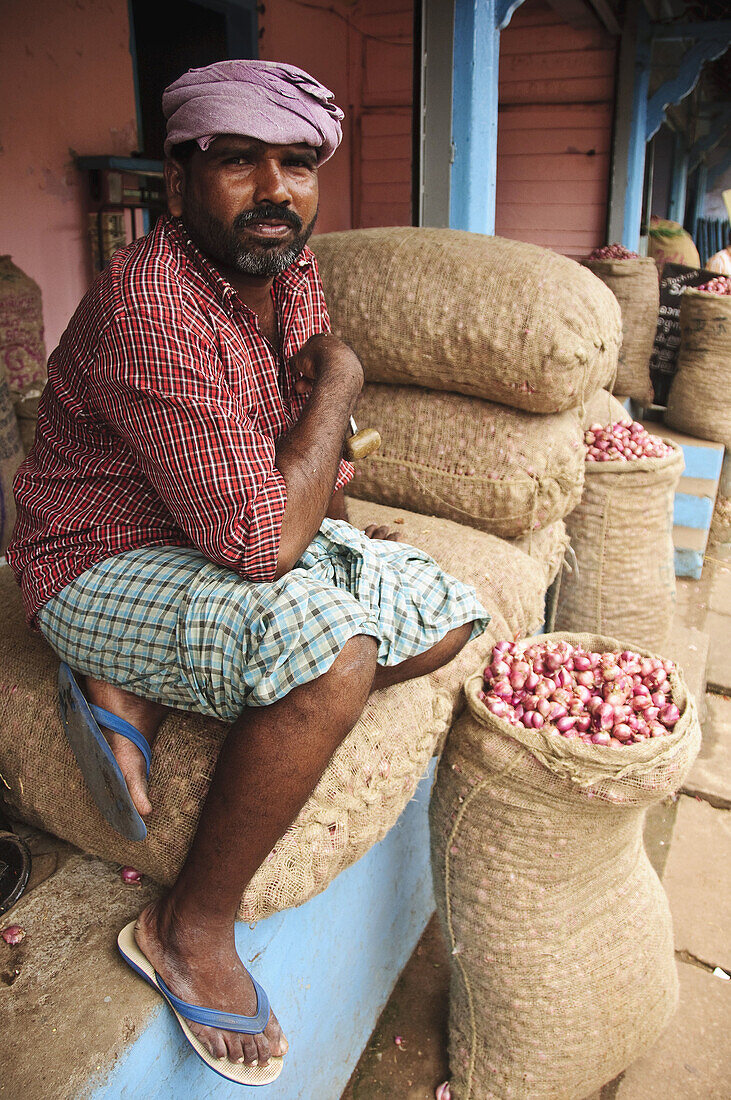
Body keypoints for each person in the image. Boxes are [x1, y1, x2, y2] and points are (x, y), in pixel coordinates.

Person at [7, 60, 489, 1085]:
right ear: (178, 181)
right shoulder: (153, 307)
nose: (274, 189)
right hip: (100, 555)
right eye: (238, 160)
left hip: (214, 530)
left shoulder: (286, 266)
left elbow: (293, 443)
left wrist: (349, 536)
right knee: (333, 660)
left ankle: (137, 687)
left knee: (449, 618)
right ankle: (186, 924)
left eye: (297, 162)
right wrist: (345, 382)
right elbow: (263, 541)